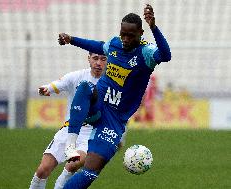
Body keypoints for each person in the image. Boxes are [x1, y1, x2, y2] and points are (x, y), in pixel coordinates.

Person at [58, 4, 171, 188]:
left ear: (141, 33)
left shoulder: (146, 52)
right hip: (98, 103)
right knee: (85, 87)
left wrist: (154, 27)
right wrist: (71, 39)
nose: (125, 39)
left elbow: (166, 55)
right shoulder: (115, 43)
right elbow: (98, 46)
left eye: (130, 35)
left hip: (115, 119)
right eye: (123, 34)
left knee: (89, 172)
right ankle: (71, 144)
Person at [29, 52, 107, 189]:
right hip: (69, 129)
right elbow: (57, 84)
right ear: (88, 59)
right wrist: (47, 88)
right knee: (43, 169)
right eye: (95, 58)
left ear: (108, 61)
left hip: (91, 133)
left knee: (74, 164)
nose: (98, 63)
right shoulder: (77, 76)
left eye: (103, 59)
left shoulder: (110, 84)